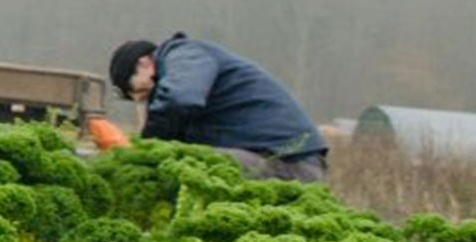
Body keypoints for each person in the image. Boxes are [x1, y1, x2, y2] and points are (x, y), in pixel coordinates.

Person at [107, 34, 329, 182]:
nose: (144, 100)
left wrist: (148, 150)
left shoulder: (184, 54)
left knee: (185, 163)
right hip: (275, 160)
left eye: (140, 94)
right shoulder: (185, 72)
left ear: (144, 63)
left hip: (291, 163)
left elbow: (180, 99)